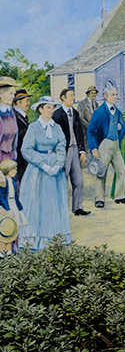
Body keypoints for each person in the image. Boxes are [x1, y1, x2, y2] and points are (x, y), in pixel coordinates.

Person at [18, 96, 72, 250]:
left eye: (52, 108)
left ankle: (55, 236)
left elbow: (62, 145)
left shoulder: (57, 127)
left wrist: (57, 164)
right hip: (37, 170)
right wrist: (43, 164)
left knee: (54, 203)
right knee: (37, 203)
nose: (50, 111)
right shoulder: (34, 127)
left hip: (55, 170)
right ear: (40, 109)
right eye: (47, 107)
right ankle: (35, 239)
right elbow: (26, 150)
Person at [87, 81, 125, 209]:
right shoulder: (99, 112)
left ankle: (119, 196)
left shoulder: (117, 111)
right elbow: (91, 131)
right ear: (105, 96)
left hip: (116, 145)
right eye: (112, 94)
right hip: (104, 144)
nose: (115, 97)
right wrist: (94, 148)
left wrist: (119, 132)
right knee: (101, 172)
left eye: (116, 94)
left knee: (122, 170)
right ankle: (99, 199)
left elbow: (123, 126)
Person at [53, 88, 90, 216]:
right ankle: (60, 209)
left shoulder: (74, 113)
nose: (73, 98)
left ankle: (77, 207)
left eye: (73, 95)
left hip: (75, 150)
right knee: (62, 180)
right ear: (63, 97)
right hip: (63, 151)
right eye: (70, 96)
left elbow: (79, 133)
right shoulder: (56, 114)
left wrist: (82, 150)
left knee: (79, 180)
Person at [0, 159, 26, 254]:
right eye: (13, 169)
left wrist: (20, 210)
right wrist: (3, 208)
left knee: (13, 229)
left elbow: (15, 197)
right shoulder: (3, 182)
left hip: (13, 205)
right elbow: (1, 196)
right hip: (6, 208)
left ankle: (11, 251)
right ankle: (3, 253)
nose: (16, 171)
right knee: (5, 229)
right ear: (7, 170)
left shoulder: (13, 182)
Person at [12, 89, 30, 182]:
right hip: (18, 157)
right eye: (26, 101)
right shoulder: (14, 116)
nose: (29, 103)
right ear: (18, 102)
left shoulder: (23, 116)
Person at [0, 77, 18, 164]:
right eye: (10, 93)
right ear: (1, 93)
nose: (13, 96)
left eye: (13, 94)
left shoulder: (12, 114)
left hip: (11, 157)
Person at [76, 85, 99, 151]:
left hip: (95, 131)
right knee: (88, 148)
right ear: (88, 94)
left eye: (95, 93)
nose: (94, 95)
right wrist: (89, 126)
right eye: (92, 93)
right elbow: (81, 117)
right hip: (86, 131)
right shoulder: (82, 104)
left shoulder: (96, 104)